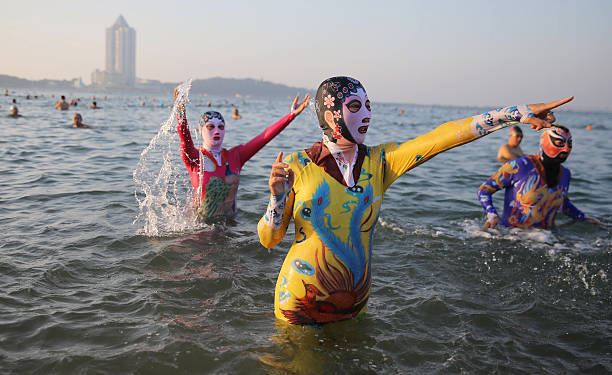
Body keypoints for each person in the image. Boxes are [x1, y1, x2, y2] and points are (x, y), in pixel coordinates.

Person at [257, 76, 571, 326]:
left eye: (368, 105)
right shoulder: (296, 166)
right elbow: (269, 240)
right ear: (330, 114)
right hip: (298, 304)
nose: (366, 114)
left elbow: (443, 136)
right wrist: (277, 197)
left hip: (355, 307)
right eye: (355, 106)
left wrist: (516, 113)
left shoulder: (380, 162)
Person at [174, 89, 310, 221]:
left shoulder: (236, 156)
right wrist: (180, 111)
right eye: (210, 126)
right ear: (200, 130)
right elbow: (184, 137)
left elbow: (264, 137)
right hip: (201, 225)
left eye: (221, 127)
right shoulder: (194, 158)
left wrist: (291, 115)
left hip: (231, 224)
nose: (216, 131)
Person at [478, 125, 601, 230]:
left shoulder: (565, 174)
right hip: (512, 238)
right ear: (544, 142)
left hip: (549, 239)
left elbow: (563, 204)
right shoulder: (519, 166)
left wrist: (585, 218)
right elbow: (484, 190)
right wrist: (492, 214)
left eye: (569, 144)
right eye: (559, 143)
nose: (566, 149)